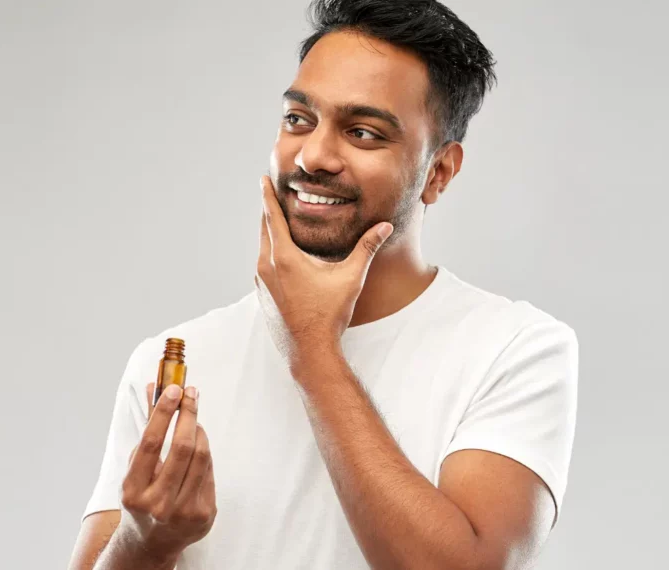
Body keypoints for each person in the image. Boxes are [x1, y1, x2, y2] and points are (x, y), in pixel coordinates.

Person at [68, 1, 578, 568]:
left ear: (438, 173)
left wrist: (312, 345)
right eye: (298, 120)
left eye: (362, 133)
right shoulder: (172, 362)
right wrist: (146, 541)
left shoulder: (515, 349)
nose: (312, 156)